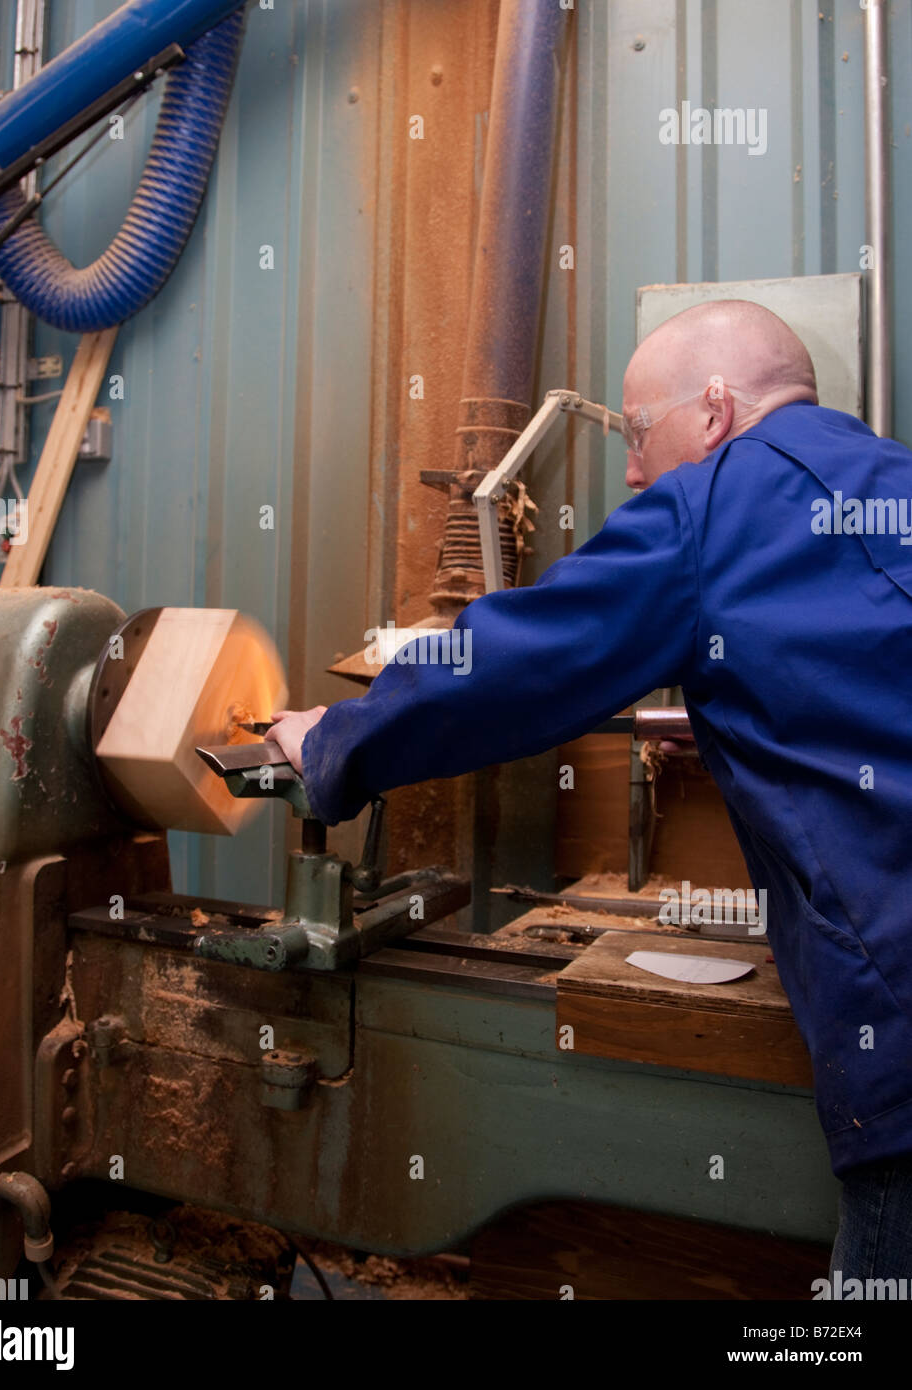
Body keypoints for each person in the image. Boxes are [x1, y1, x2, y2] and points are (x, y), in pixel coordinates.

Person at [264, 299, 912, 1286]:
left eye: (637, 434)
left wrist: (332, 740)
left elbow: (516, 662)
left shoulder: (717, 506)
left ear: (713, 409)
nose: (634, 471)